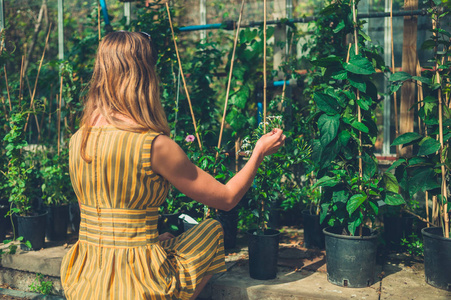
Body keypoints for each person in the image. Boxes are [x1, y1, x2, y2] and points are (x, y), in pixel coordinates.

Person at [60, 31, 285, 300]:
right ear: (144, 76)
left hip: (85, 276)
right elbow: (226, 199)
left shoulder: (78, 139)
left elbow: (96, 212)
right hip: (137, 283)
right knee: (212, 230)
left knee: (165, 237)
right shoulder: (153, 145)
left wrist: (149, 240)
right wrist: (258, 152)